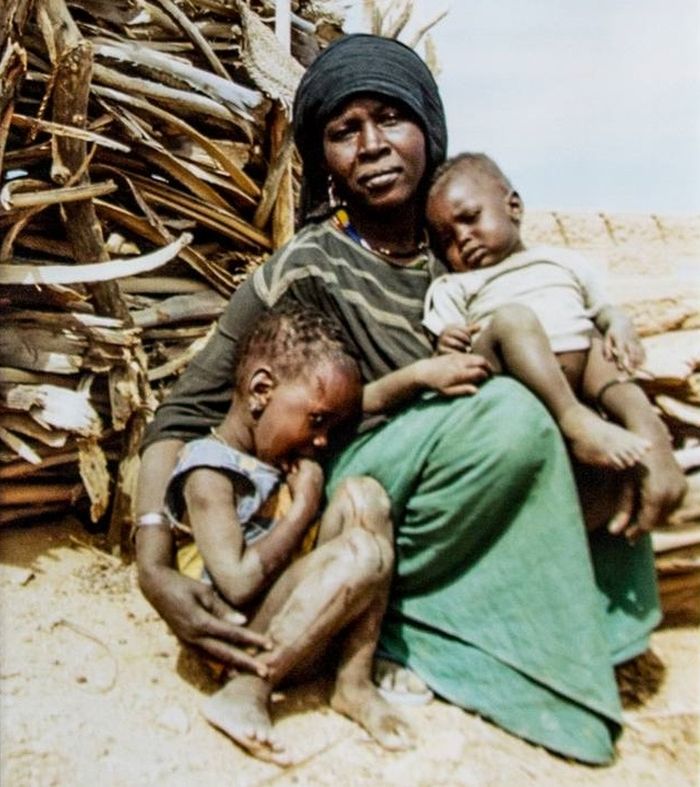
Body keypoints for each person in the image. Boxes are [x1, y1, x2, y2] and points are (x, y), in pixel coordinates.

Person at [135, 34, 686, 765]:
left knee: (586, 435)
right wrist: (153, 565)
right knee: (514, 419)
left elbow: (570, 345)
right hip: (357, 489)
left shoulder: (466, 246)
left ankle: (576, 633)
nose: (370, 145)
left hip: (459, 478)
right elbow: (180, 413)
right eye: (343, 130)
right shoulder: (306, 265)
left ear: (429, 124)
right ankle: (412, 629)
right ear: (322, 156)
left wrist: (645, 426)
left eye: (391, 117)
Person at [160, 304, 411, 763]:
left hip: (300, 624)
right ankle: (247, 689)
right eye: (317, 421)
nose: (320, 441)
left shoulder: (273, 457)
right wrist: (304, 510)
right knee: (358, 552)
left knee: (365, 497)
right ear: (261, 391)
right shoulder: (209, 473)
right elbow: (234, 584)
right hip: (238, 643)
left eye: (329, 428)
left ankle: (352, 682)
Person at [371, 151, 650, 473]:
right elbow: (447, 344)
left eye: (470, 217)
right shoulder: (456, 285)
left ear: (513, 206)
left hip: (579, 372)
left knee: (603, 349)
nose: (462, 237)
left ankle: (653, 457)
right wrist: (448, 342)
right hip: (506, 374)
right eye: (446, 239)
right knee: (513, 319)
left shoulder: (560, 261)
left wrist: (619, 323)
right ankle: (572, 418)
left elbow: (602, 310)